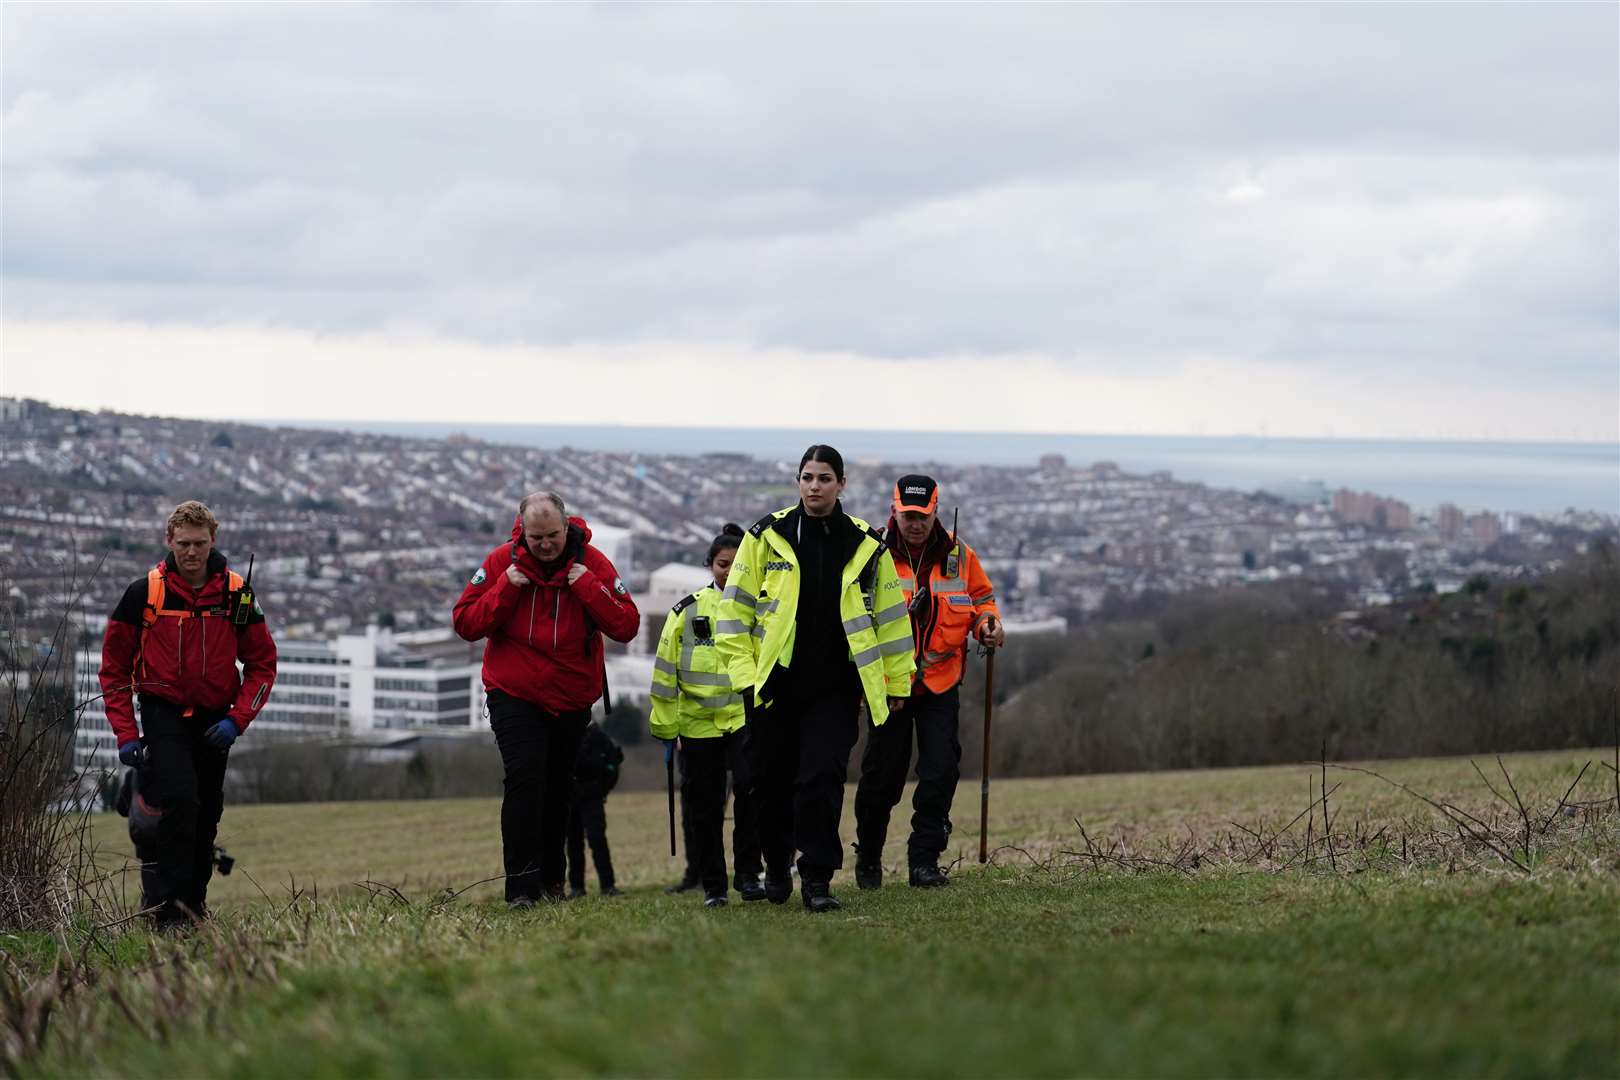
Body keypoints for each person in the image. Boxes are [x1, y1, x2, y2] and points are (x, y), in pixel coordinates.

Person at [715, 446, 915, 913]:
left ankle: (818, 879)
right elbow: (733, 614)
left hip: (836, 688)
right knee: (771, 784)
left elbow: (891, 620)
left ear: (841, 484)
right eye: (807, 477)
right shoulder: (767, 536)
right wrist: (746, 679)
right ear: (797, 481)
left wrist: (897, 683)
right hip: (773, 687)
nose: (815, 486)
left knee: (821, 781)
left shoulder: (865, 545)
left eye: (825, 478)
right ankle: (778, 864)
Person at [453, 491, 640, 908]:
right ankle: (520, 887)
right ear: (522, 531)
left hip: (571, 695)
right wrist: (506, 588)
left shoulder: (593, 564)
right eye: (536, 538)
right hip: (513, 691)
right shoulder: (502, 562)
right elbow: (465, 622)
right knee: (524, 779)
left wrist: (588, 587)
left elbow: (627, 625)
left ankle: (554, 882)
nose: (545, 545)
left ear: (566, 526)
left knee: (559, 788)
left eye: (552, 535)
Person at [98, 500, 277, 928]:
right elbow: (114, 669)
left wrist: (237, 720)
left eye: (199, 543)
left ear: (213, 540)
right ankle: (169, 914)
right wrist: (126, 734)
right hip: (163, 713)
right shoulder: (144, 594)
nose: (191, 552)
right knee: (180, 802)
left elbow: (262, 665)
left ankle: (194, 908)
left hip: (215, 719)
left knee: (206, 814)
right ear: (168, 541)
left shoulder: (237, 594)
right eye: (183, 544)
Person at [854, 475, 1004, 889]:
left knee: (941, 770)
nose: (915, 523)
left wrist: (988, 623)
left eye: (922, 515)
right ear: (894, 511)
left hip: (940, 682)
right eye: (907, 515)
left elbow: (982, 600)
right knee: (882, 777)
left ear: (936, 511)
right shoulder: (872, 555)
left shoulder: (960, 555)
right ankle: (868, 856)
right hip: (890, 685)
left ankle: (924, 860)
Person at [650, 524, 765, 908]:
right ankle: (714, 886)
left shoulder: (761, 608)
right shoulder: (686, 611)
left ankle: (749, 875)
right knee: (705, 808)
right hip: (697, 725)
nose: (729, 572)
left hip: (744, 719)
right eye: (722, 564)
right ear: (710, 565)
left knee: (751, 795)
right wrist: (668, 728)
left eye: (737, 565)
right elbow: (665, 671)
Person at [565, 720, 624, 898]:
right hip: (572, 797)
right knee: (574, 842)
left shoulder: (601, 740)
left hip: (593, 797)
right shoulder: (567, 736)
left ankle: (607, 886)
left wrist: (602, 790)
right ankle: (577, 887)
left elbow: (613, 767)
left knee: (597, 839)